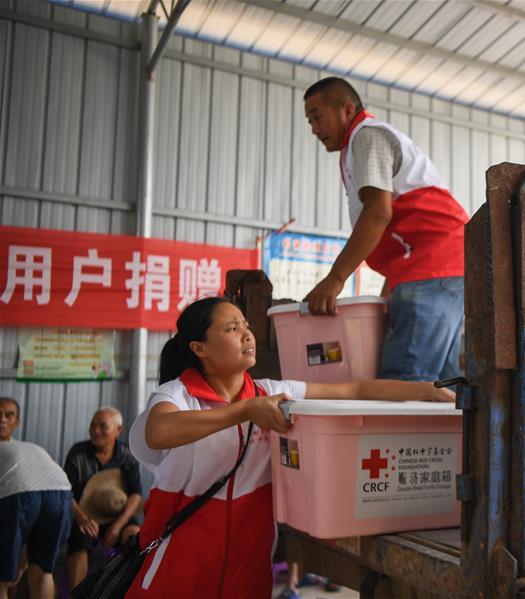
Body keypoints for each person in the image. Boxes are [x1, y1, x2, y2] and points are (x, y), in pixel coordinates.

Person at [126, 296, 453, 598]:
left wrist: (426, 390)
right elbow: (158, 431)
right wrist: (245, 411)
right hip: (175, 570)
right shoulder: (177, 395)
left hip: (247, 571)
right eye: (232, 328)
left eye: (246, 325)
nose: (247, 335)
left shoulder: (272, 392)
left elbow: (353, 389)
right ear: (200, 348)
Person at [303, 77, 468, 382]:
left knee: (404, 381)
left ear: (347, 109)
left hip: (432, 268)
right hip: (442, 269)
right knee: (445, 388)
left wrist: (335, 279)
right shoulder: (358, 146)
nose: (313, 128)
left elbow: (378, 212)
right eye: (309, 121)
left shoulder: (367, 138)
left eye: (316, 117)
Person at [0, 397, 73, 599]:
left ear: (17, 421)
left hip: (20, 492)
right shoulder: (30, 447)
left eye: (8, 414)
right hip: (62, 495)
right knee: (42, 572)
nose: (2, 420)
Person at [64, 407, 143, 590]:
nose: (95, 430)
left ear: (118, 430)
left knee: (135, 537)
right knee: (79, 542)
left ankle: (127, 591)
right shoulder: (79, 453)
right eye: (92, 425)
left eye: (103, 426)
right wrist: (82, 518)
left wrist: (117, 526)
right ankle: (77, 594)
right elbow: (66, 491)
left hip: (117, 515)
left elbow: (136, 494)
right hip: (84, 514)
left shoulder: (126, 455)